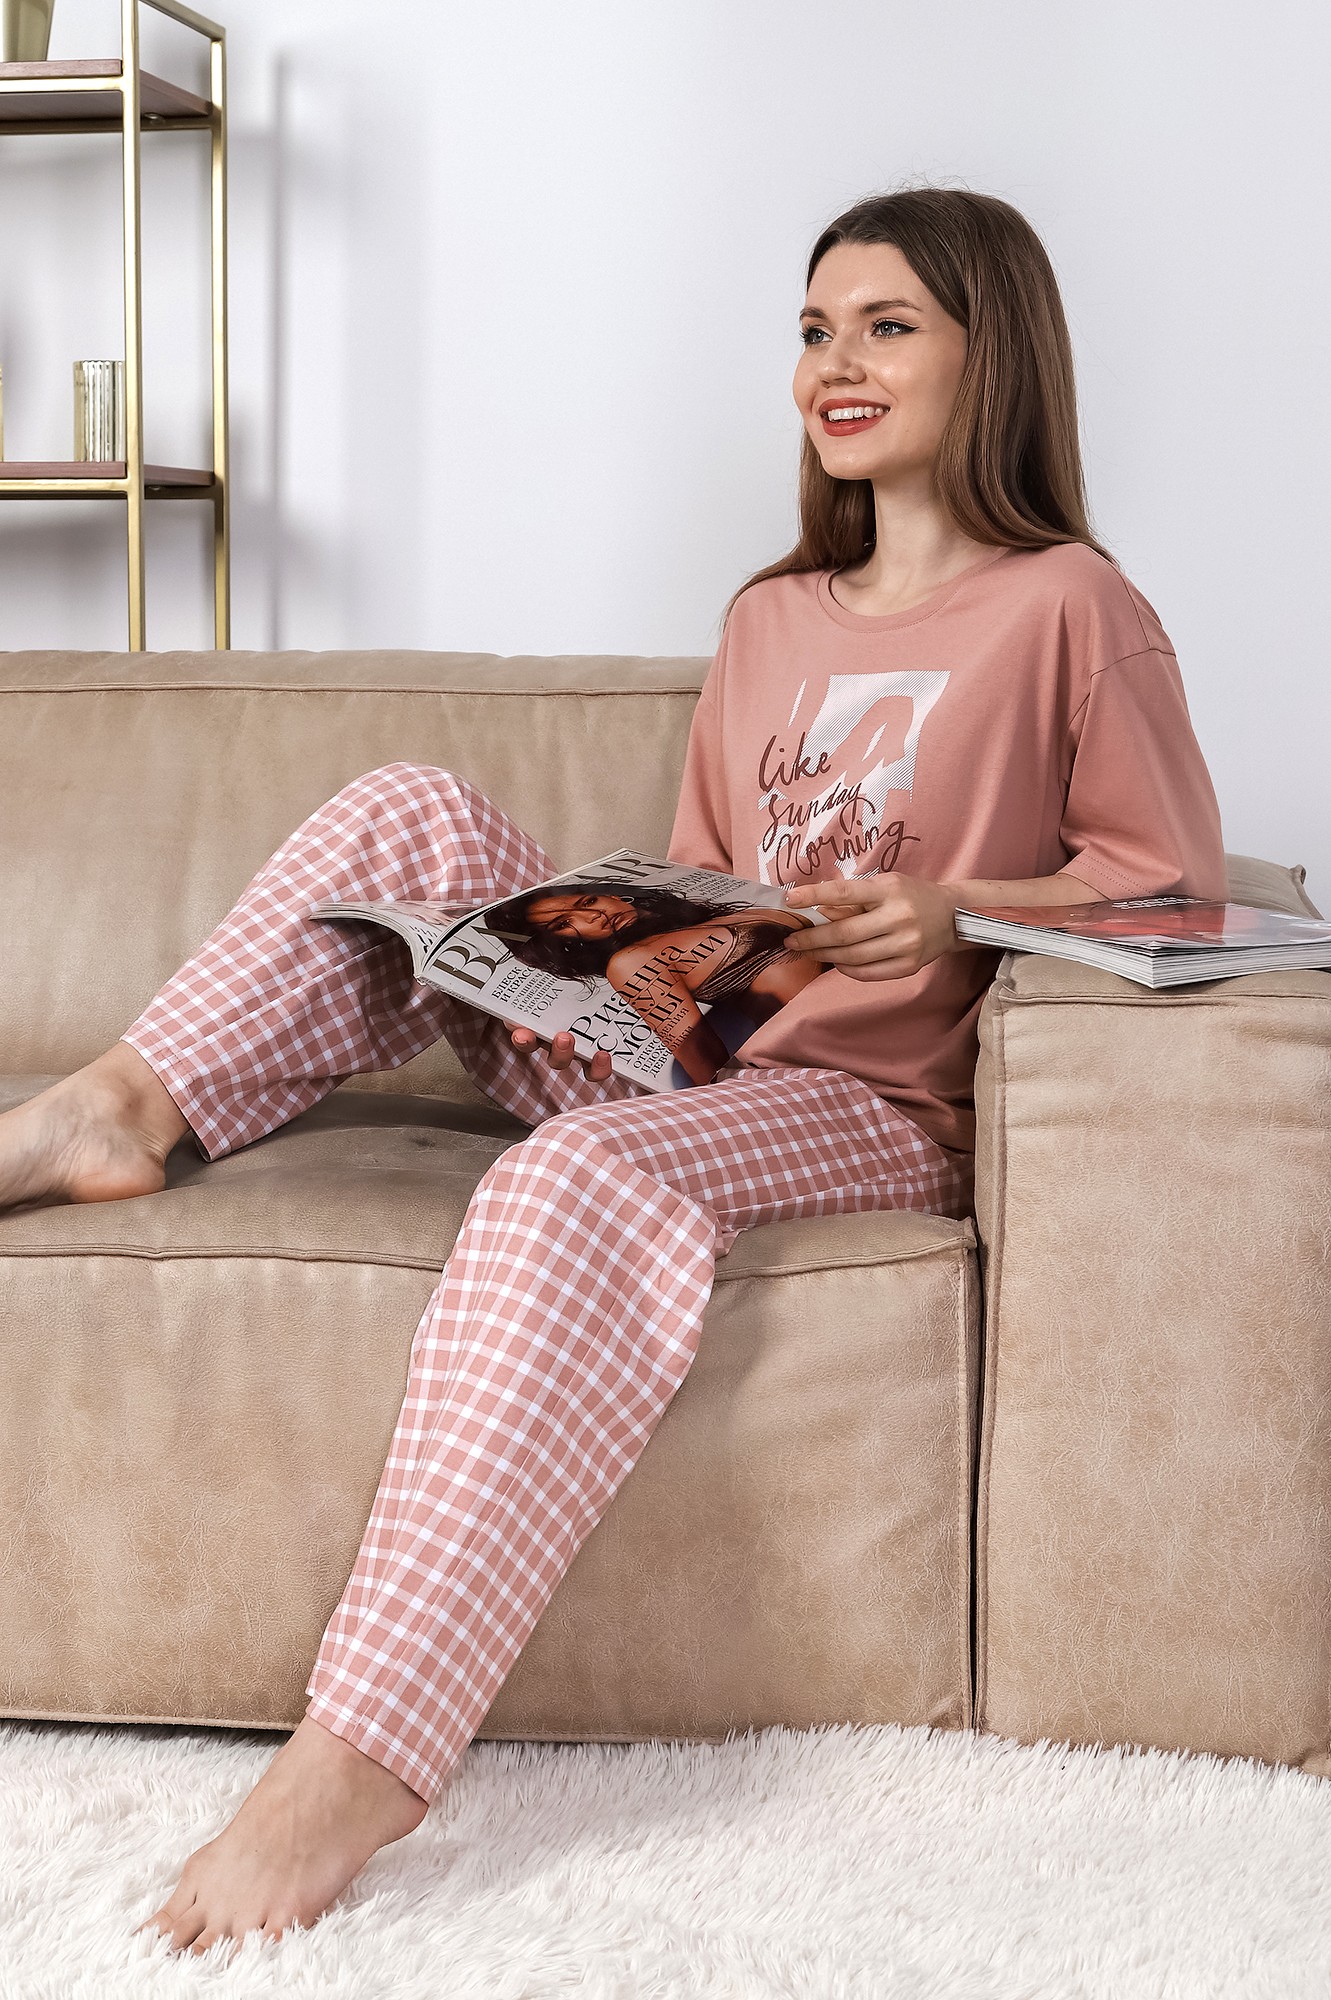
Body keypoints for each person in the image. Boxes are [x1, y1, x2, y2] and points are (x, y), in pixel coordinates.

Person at [0, 186, 1225, 1952]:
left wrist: (956, 911)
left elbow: (1174, 891)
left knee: (569, 1176)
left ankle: (362, 1755)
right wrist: (599, 956)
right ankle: (115, 1111)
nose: (835, 363)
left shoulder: (1070, 609)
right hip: (697, 1053)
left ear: (994, 355)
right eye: (813, 330)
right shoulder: (769, 620)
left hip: (868, 1108)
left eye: (887, 325)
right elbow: (709, 887)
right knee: (409, 813)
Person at [480, 880, 828, 1080]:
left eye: (589, 901)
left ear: (613, 895)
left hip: (849, 994)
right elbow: (707, 1068)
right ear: (564, 944)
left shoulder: (693, 922)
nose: (594, 915)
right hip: (819, 1046)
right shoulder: (630, 963)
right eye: (564, 924)